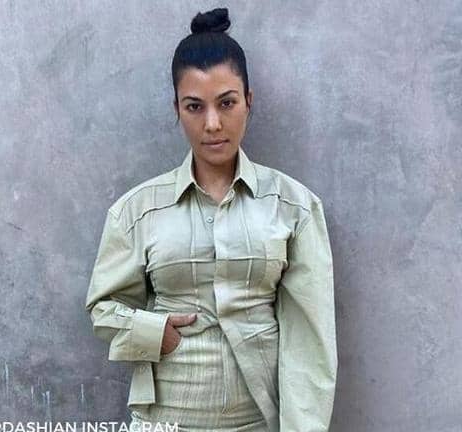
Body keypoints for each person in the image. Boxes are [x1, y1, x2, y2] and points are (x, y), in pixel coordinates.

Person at [84, 7, 337, 432]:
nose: (213, 123)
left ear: (248, 101)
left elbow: (310, 341)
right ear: (176, 109)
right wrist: (152, 330)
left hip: (258, 420)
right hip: (162, 421)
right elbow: (102, 309)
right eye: (194, 107)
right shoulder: (137, 211)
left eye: (227, 103)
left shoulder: (294, 207)